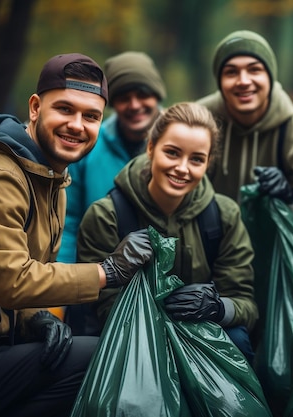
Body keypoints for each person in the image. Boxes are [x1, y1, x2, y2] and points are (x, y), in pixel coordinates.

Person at [0, 53, 152, 417]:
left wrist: (34, 318)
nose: (77, 125)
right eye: (65, 110)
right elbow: (12, 281)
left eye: (91, 116)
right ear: (36, 107)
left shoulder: (49, 175)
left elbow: (5, 283)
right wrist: (108, 272)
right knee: (105, 359)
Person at [76, 102, 258, 362]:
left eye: (196, 159)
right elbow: (101, 307)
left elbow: (245, 304)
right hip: (132, 341)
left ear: (208, 163)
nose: (182, 168)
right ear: (151, 148)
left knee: (237, 338)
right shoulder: (106, 216)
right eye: (172, 153)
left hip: (203, 335)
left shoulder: (224, 215)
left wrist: (218, 308)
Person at [58, 50, 166, 264]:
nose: (134, 105)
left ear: (157, 96)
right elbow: (69, 220)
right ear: (112, 103)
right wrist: (66, 281)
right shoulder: (88, 145)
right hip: (100, 274)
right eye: (124, 98)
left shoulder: (181, 142)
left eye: (143, 94)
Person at [196, 30, 293, 207]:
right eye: (231, 72)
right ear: (220, 82)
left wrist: (288, 199)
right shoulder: (198, 121)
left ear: (270, 77)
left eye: (254, 70)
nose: (244, 81)